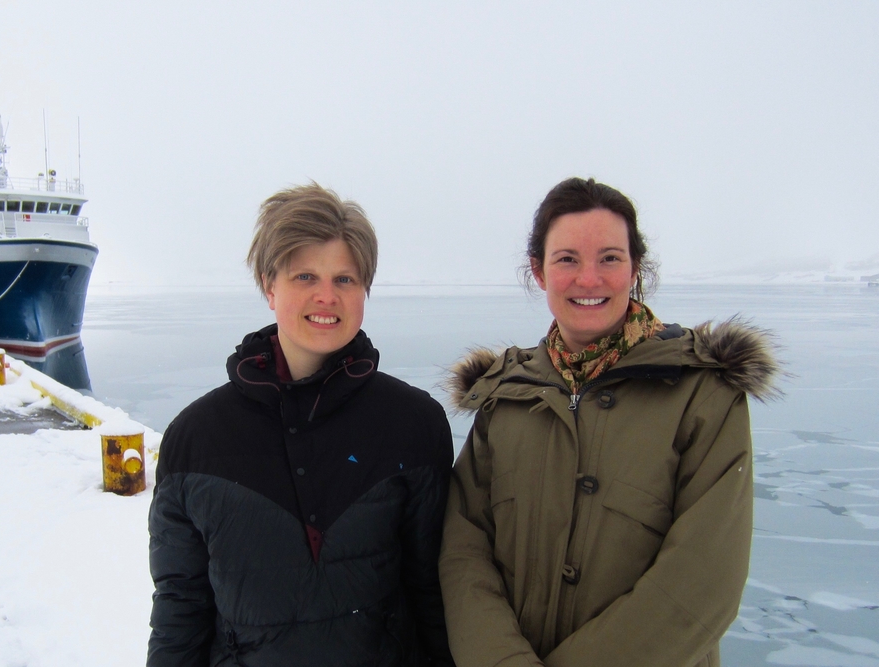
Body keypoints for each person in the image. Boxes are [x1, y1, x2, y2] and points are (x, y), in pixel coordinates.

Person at [439, 177, 781, 667]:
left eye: (610, 258)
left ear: (635, 267)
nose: (589, 279)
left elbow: (704, 579)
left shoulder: (702, 394)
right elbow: (463, 549)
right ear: (538, 271)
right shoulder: (504, 397)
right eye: (567, 259)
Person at [147, 183, 455, 666]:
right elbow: (180, 607)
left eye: (345, 280)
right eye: (305, 276)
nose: (326, 296)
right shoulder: (195, 439)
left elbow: (432, 593)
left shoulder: (414, 424)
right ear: (270, 286)